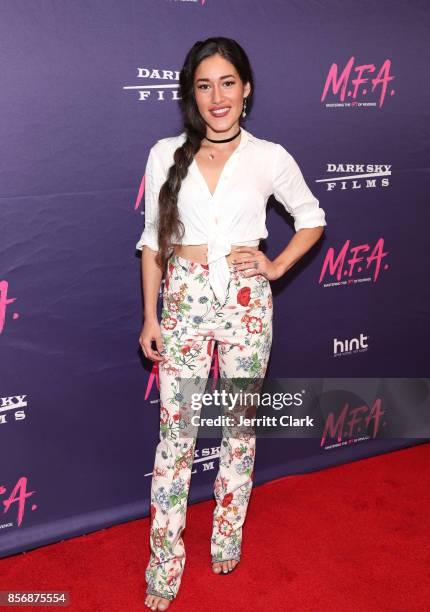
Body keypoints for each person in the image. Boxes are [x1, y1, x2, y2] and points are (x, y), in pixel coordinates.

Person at [137, 37, 327, 611]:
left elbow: (312, 217)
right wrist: (150, 315)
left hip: (246, 301)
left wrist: (274, 265)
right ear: (191, 95)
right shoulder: (164, 153)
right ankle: (164, 563)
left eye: (227, 83)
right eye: (204, 85)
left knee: (238, 431)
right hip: (185, 300)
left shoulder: (270, 156)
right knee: (176, 440)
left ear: (245, 90)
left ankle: (227, 533)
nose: (216, 96)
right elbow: (152, 242)